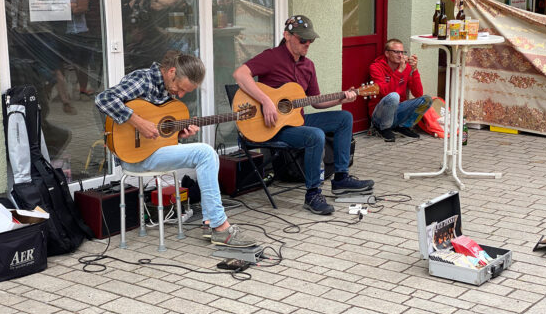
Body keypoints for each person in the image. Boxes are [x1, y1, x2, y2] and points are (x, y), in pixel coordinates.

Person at [95, 51, 256, 248]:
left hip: (152, 151)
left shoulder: (168, 88)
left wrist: (178, 134)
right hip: (134, 156)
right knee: (205, 153)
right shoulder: (143, 79)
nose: (180, 95)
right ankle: (219, 226)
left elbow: (158, 131)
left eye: (184, 93)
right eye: (179, 88)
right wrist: (138, 122)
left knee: (206, 154)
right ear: (171, 72)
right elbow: (103, 99)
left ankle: (209, 222)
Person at [233, 15, 374, 215]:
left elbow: (315, 101)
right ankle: (313, 194)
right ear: (287, 36)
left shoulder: (308, 66)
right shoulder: (272, 57)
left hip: (296, 121)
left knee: (344, 118)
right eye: (303, 40)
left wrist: (342, 98)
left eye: (311, 40)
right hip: (273, 126)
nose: (308, 44)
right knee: (315, 135)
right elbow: (240, 74)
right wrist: (265, 101)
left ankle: (341, 178)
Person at [368, 38, 433, 142]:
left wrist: (414, 70)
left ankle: (403, 127)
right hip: (379, 115)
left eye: (402, 52)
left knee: (427, 99)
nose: (400, 55)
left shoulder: (406, 67)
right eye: (396, 52)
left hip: (396, 112)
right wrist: (399, 71)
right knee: (394, 96)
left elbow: (418, 93)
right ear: (387, 54)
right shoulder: (376, 67)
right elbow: (385, 93)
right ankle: (384, 129)